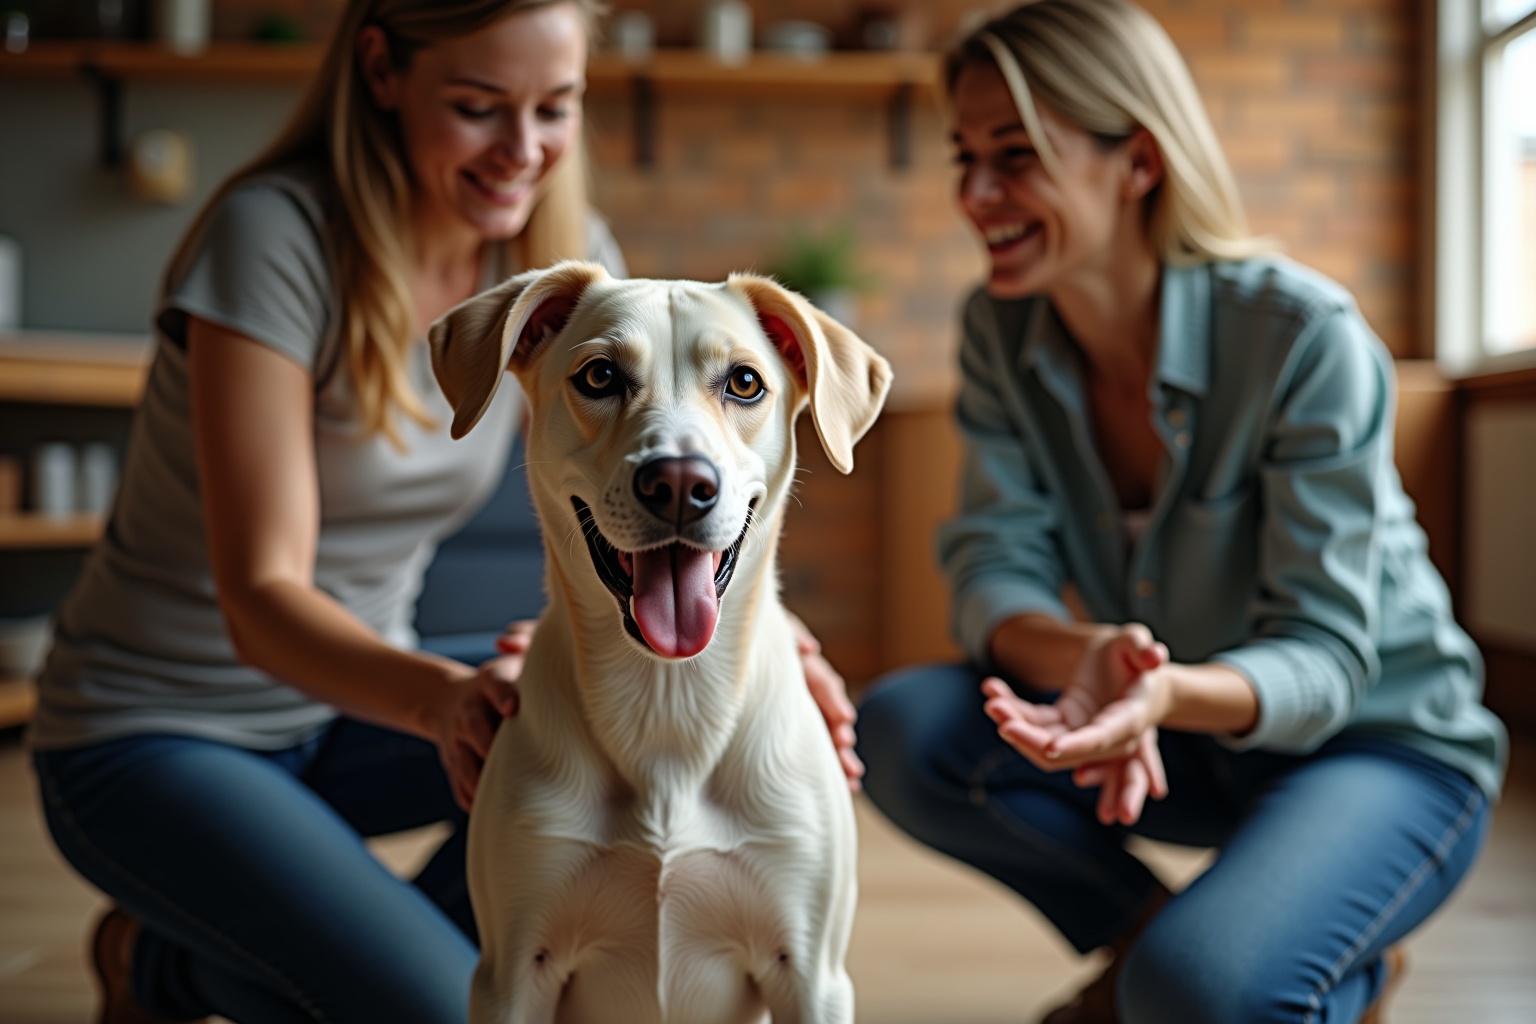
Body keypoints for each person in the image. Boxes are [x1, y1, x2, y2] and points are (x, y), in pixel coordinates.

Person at [28, 2, 861, 1022]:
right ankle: (167, 964)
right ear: (382, 69)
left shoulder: (554, 252)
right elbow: (261, 595)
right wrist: (439, 700)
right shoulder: (275, 239)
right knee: (431, 1002)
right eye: (479, 107)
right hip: (162, 723)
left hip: (353, 699)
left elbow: (654, 458)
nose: (523, 151)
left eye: (555, 108)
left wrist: (767, 647)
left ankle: (297, 933)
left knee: (584, 764)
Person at [854, 2, 1507, 1023]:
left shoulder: (1300, 336)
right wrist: (1088, 655)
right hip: (1182, 745)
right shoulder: (1000, 327)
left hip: (1380, 747)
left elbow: (1330, 658)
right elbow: (993, 564)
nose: (975, 195)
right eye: (965, 156)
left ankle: (1284, 955)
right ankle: (1193, 944)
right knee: (903, 728)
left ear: (1139, 161)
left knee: (1201, 996)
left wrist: (1157, 695)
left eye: (1015, 156)